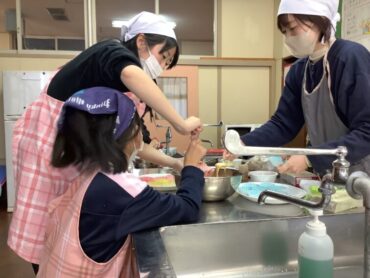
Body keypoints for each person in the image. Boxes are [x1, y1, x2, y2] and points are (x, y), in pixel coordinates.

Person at [7, 11, 201, 273]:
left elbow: (138, 143)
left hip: (74, 158)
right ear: (141, 41)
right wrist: (181, 123)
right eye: (163, 57)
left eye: (167, 63)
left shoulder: (123, 90)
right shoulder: (108, 52)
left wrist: (176, 164)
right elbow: (131, 74)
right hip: (48, 149)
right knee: (47, 230)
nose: (162, 67)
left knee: (67, 231)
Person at [36, 87, 206, 277]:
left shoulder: (85, 168)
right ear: (132, 132)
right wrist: (191, 166)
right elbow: (188, 209)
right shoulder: (122, 189)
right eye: (139, 126)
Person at [225, 0, 370, 176]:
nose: (288, 38)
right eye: (284, 32)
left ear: (319, 20)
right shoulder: (299, 70)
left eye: (292, 29)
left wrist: (310, 158)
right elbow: (283, 124)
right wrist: (243, 144)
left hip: (362, 171)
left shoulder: (349, 58)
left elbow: (367, 131)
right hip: (331, 172)